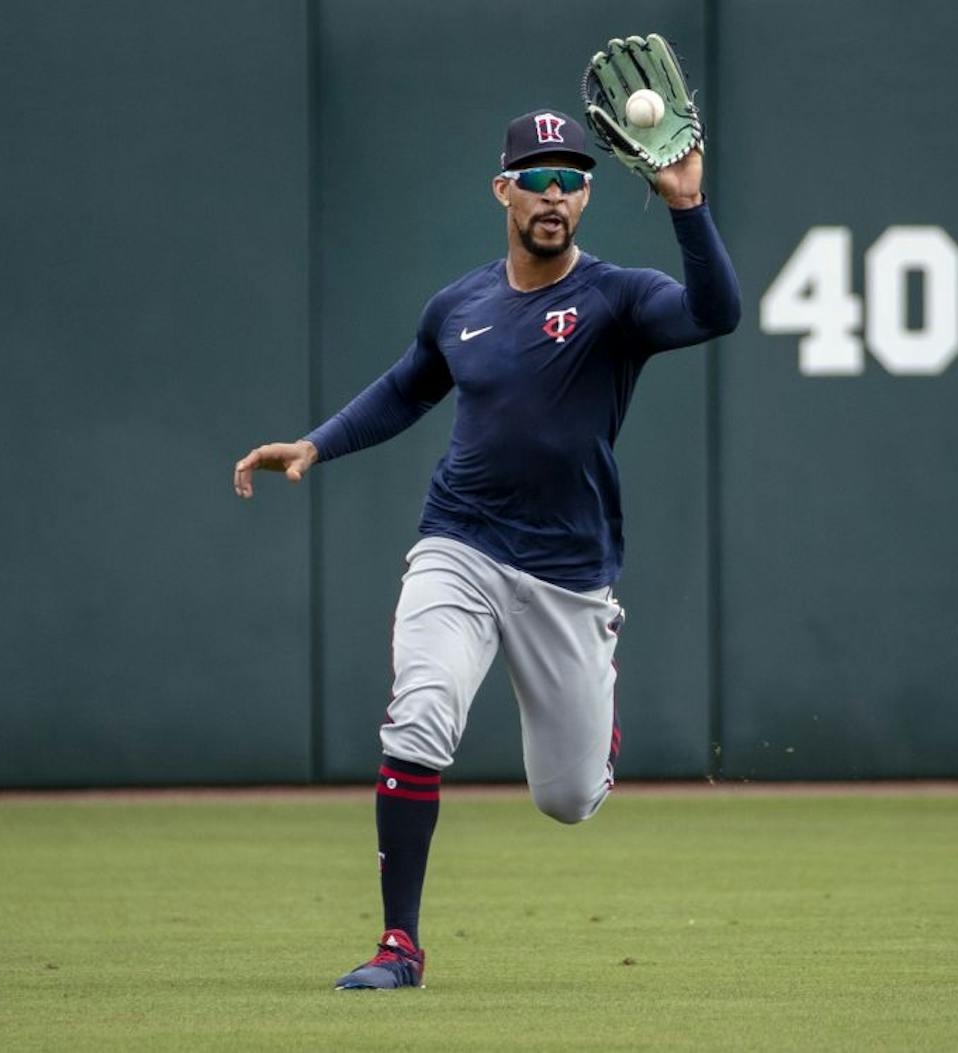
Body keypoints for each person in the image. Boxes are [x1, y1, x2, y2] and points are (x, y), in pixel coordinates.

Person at [232, 108, 740, 990]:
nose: (555, 193)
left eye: (573, 178)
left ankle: (597, 727)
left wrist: (688, 206)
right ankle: (400, 944)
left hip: (569, 574)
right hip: (459, 542)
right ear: (502, 189)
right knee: (421, 714)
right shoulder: (458, 307)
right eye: (537, 177)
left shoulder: (617, 299)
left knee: (568, 798)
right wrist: (319, 442)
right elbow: (406, 389)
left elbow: (717, 313)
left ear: (586, 196)